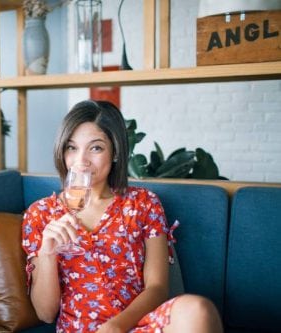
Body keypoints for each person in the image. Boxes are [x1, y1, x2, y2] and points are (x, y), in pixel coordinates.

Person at [21, 100, 223, 333]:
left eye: (95, 148)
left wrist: (116, 326)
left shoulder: (144, 203)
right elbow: (46, 314)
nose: (81, 161)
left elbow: (157, 288)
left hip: (136, 325)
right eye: (71, 147)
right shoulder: (40, 214)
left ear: (115, 152)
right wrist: (47, 252)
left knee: (198, 310)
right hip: (79, 329)